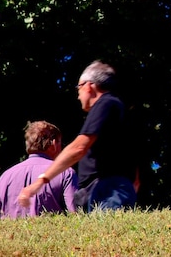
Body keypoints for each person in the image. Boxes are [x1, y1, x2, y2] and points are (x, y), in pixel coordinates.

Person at [18, 60, 139, 212]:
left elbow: (79, 147)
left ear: (89, 86)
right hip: (112, 190)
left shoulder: (105, 103)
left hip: (108, 191)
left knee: (106, 235)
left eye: (78, 88)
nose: (78, 96)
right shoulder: (118, 109)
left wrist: (40, 181)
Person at [0, 121, 78, 219]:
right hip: (48, 234)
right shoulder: (65, 173)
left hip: (12, 234)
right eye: (61, 143)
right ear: (54, 143)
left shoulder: (5, 177)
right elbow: (76, 215)